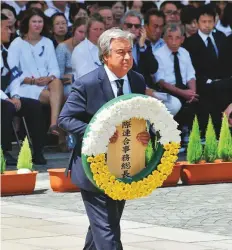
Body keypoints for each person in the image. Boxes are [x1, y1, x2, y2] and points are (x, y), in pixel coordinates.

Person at [58, 28, 149, 250]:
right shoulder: (88, 83)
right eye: (120, 52)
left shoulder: (137, 80)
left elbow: (143, 116)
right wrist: (99, 130)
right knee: (108, 232)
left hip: (124, 165)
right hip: (93, 168)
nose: (127, 57)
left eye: (129, 51)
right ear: (105, 56)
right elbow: (65, 119)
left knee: (104, 225)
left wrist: (147, 134)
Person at [7, 8, 64, 137]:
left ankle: (53, 124)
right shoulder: (17, 43)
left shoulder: (47, 42)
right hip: (25, 86)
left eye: (40, 21)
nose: (38, 24)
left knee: (57, 82)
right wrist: (32, 80)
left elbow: (55, 69)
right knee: (59, 98)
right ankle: (57, 131)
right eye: (34, 21)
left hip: (46, 84)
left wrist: (49, 78)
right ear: (27, 23)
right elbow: (13, 71)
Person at [1, 13, 46, 165]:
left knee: (34, 105)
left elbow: (15, 76)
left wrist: (16, 96)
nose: (10, 31)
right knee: (6, 106)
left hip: (7, 94)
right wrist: (6, 98)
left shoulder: (5, 52)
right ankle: (3, 151)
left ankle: (37, 151)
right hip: (2, 98)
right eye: (7, 27)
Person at [184, 4, 232, 135]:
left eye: (210, 21)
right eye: (203, 21)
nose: (207, 25)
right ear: (197, 22)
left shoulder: (222, 38)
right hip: (203, 83)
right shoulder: (190, 43)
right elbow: (191, 70)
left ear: (214, 21)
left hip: (224, 81)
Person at [153, 23, 198, 119]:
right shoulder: (158, 55)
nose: (174, 42)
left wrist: (192, 93)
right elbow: (161, 82)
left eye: (177, 38)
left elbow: (191, 76)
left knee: (202, 103)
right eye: (170, 37)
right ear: (164, 39)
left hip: (185, 88)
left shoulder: (184, 52)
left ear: (182, 39)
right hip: (169, 89)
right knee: (178, 104)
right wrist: (183, 93)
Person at [121, 10, 158, 88]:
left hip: (147, 88)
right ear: (123, 26)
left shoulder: (145, 44)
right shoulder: (116, 45)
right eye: (129, 25)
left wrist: (142, 47)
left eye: (137, 26)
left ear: (141, 29)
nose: (133, 29)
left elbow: (153, 68)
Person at [56, 17, 87, 98]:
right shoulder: (62, 47)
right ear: (74, 31)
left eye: (86, 33)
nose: (83, 36)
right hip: (68, 84)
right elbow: (58, 75)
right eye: (80, 32)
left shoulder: (91, 47)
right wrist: (73, 78)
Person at [71, 13, 105, 80]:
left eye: (101, 29)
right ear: (88, 31)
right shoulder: (80, 50)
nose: (98, 32)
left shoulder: (108, 47)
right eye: (95, 29)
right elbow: (84, 76)